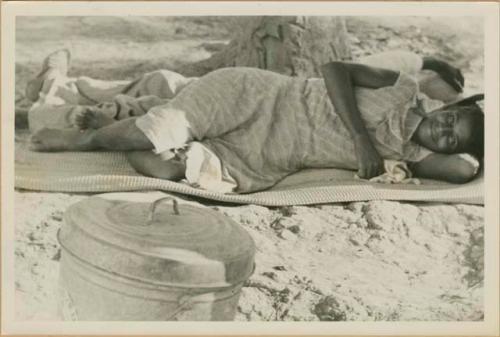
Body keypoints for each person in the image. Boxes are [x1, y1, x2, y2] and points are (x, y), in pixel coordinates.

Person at [27, 49, 484, 193]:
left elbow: (466, 169)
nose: (445, 133)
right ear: (450, 108)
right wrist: (363, 142)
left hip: (261, 156)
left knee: (162, 164)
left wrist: (475, 143)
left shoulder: (413, 155)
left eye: (452, 139)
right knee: (155, 131)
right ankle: (85, 138)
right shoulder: (402, 87)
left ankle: (132, 118)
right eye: (452, 122)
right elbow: (333, 70)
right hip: (257, 97)